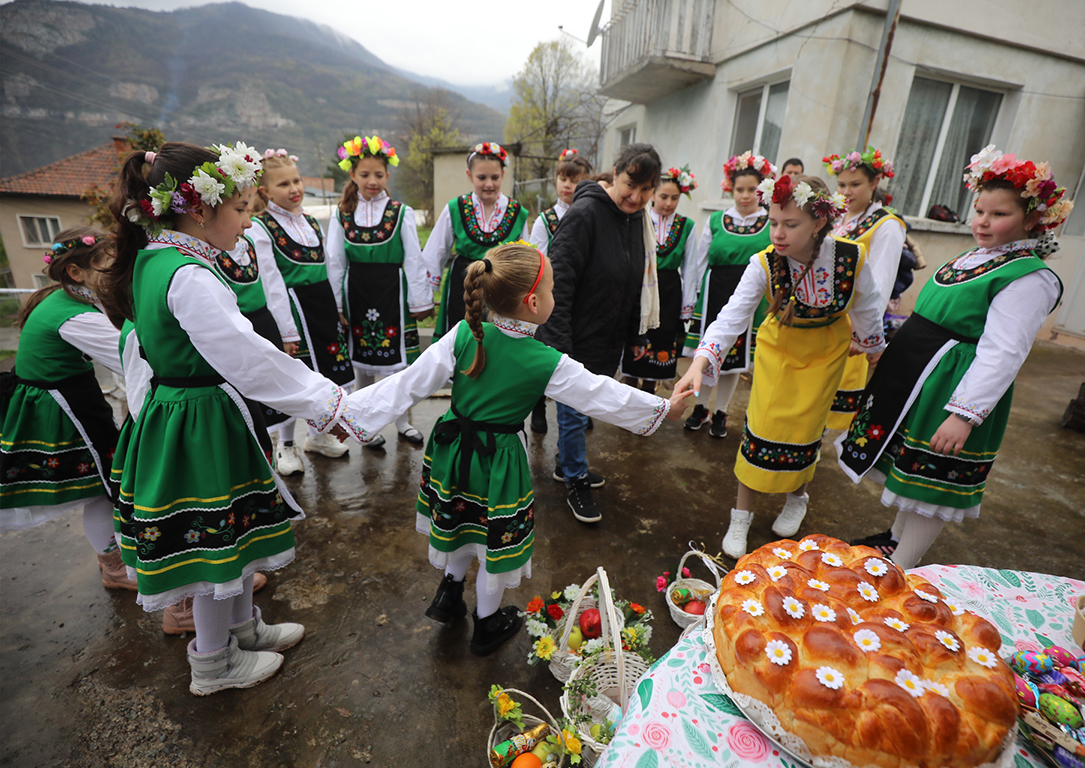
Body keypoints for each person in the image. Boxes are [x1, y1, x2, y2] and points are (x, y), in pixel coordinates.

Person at [338, 242, 691, 655]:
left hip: (452, 453)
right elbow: (603, 394)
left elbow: (407, 383)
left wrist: (349, 415)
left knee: (459, 523)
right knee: (493, 545)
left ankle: (449, 595)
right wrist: (664, 409)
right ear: (534, 302)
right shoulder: (544, 360)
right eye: (554, 290)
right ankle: (486, 625)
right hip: (498, 463)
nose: (556, 298)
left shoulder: (463, 334)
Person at [100, 141, 353, 695]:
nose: (247, 221)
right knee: (215, 547)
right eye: (239, 209)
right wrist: (328, 402)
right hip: (198, 421)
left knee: (238, 533)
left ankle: (243, 629)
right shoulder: (187, 274)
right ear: (199, 209)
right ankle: (212, 663)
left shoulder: (157, 256)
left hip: (200, 412)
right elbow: (248, 357)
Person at [839, 146, 1071, 569]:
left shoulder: (1028, 276)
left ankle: (904, 566)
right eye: (979, 210)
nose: (982, 221)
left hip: (954, 389)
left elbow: (1004, 350)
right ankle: (894, 540)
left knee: (931, 481)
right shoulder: (978, 257)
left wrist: (964, 414)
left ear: (1032, 219)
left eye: (998, 214)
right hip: (923, 376)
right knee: (909, 469)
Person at [675, 175, 886, 558]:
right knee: (762, 426)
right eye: (773, 222)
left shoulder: (851, 258)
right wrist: (700, 359)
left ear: (819, 222)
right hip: (779, 349)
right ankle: (742, 514)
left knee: (808, 430)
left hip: (826, 352)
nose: (778, 233)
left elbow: (868, 306)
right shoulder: (764, 264)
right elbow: (731, 317)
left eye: (791, 224)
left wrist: (874, 347)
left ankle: (798, 496)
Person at [536, 142, 663, 524]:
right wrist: (559, 345)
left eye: (646, 191)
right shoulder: (587, 213)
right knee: (574, 411)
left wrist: (635, 337)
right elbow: (559, 280)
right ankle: (575, 479)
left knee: (584, 408)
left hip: (606, 334)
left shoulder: (634, 219)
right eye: (630, 185)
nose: (637, 197)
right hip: (575, 335)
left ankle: (565, 464)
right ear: (616, 172)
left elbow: (632, 282)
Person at [0, 229, 130, 589]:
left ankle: (113, 566)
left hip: (68, 396)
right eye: (108, 263)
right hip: (64, 406)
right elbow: (132, 357)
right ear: (76, 273)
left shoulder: (69, 299)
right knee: (107, 482)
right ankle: (116, 569)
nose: (118, 269)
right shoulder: (74, 316)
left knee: (100, 486)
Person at [250, 149, 354, 475]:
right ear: (265, 192)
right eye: (284, 184)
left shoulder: (310, 222)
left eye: (296, 180)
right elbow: (271, 282)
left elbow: (328, 267)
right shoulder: (260, 227)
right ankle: (286, 445)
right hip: (293, 310)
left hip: (320, 304)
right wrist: (286, 330)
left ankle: (318, 436)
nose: (294, 188)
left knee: (326, 375)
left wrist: (336, 307)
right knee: (293, 379)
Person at [326, 135, 430, 450]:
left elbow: (413, 259)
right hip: (356, 290)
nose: (372, 181)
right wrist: (337, 305)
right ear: (353, 176)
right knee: (361, 358)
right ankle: (364, 422)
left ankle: (402, 420)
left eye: (379, 175)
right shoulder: (341, 214)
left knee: (396, 362)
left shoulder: (401, 212)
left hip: (391, 292)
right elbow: (335, 262)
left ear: (387, 176)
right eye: (365, 174)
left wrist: (420, 300)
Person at [683, 152, 775, 439]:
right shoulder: (716, 220)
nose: (746, 196)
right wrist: (693, 297)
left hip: (752, 296)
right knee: (710, 351)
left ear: (761, 190)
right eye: (740, 189)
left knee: (735, 358)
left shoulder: (771, 221)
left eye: (752, 190)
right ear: (730, 189)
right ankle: (701, 407)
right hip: (716, 290)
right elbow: (700, 262)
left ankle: (722, 411)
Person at [822, 147, 905, 428]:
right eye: (842, 184)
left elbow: (881, 283)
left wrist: (865, 333)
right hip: (821, 316)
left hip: (852, 320)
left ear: (874, 183)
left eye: (855, 184)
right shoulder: (834, 219)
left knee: (832, 392)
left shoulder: (886, 225)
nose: (847, 191)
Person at [422, 142, 528, 339]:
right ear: (469, 175)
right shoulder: (455, 208)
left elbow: (524, 258)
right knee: (459, 338)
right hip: (462, 285)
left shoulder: (517, 213)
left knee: (496, 341)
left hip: (500, 288)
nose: (489, 184)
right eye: (482, 177)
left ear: (503, 175)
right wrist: (425, 296)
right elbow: (435, 251)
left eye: (495, 177)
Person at [527, 148, 593, 434]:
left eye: (575, 180)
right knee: (544, 351)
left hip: (582, 297)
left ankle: (580, 406)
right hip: (549, 295)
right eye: (563, 178)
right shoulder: (545, 220)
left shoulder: (591, 216)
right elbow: (536, 259)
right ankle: (538, 406)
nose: (568, 185)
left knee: (579, 354)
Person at [620, 164, 698, 391]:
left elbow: (690, 267)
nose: (669, 203)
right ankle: (629, 391)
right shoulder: (638, 218)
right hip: (641, 287)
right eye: (664, 196)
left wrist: (687, 305)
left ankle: (650, 393)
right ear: (653, 194)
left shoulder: (687, 226)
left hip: (669, 290)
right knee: (637, 333)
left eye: (675, 198)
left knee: (663, 338)